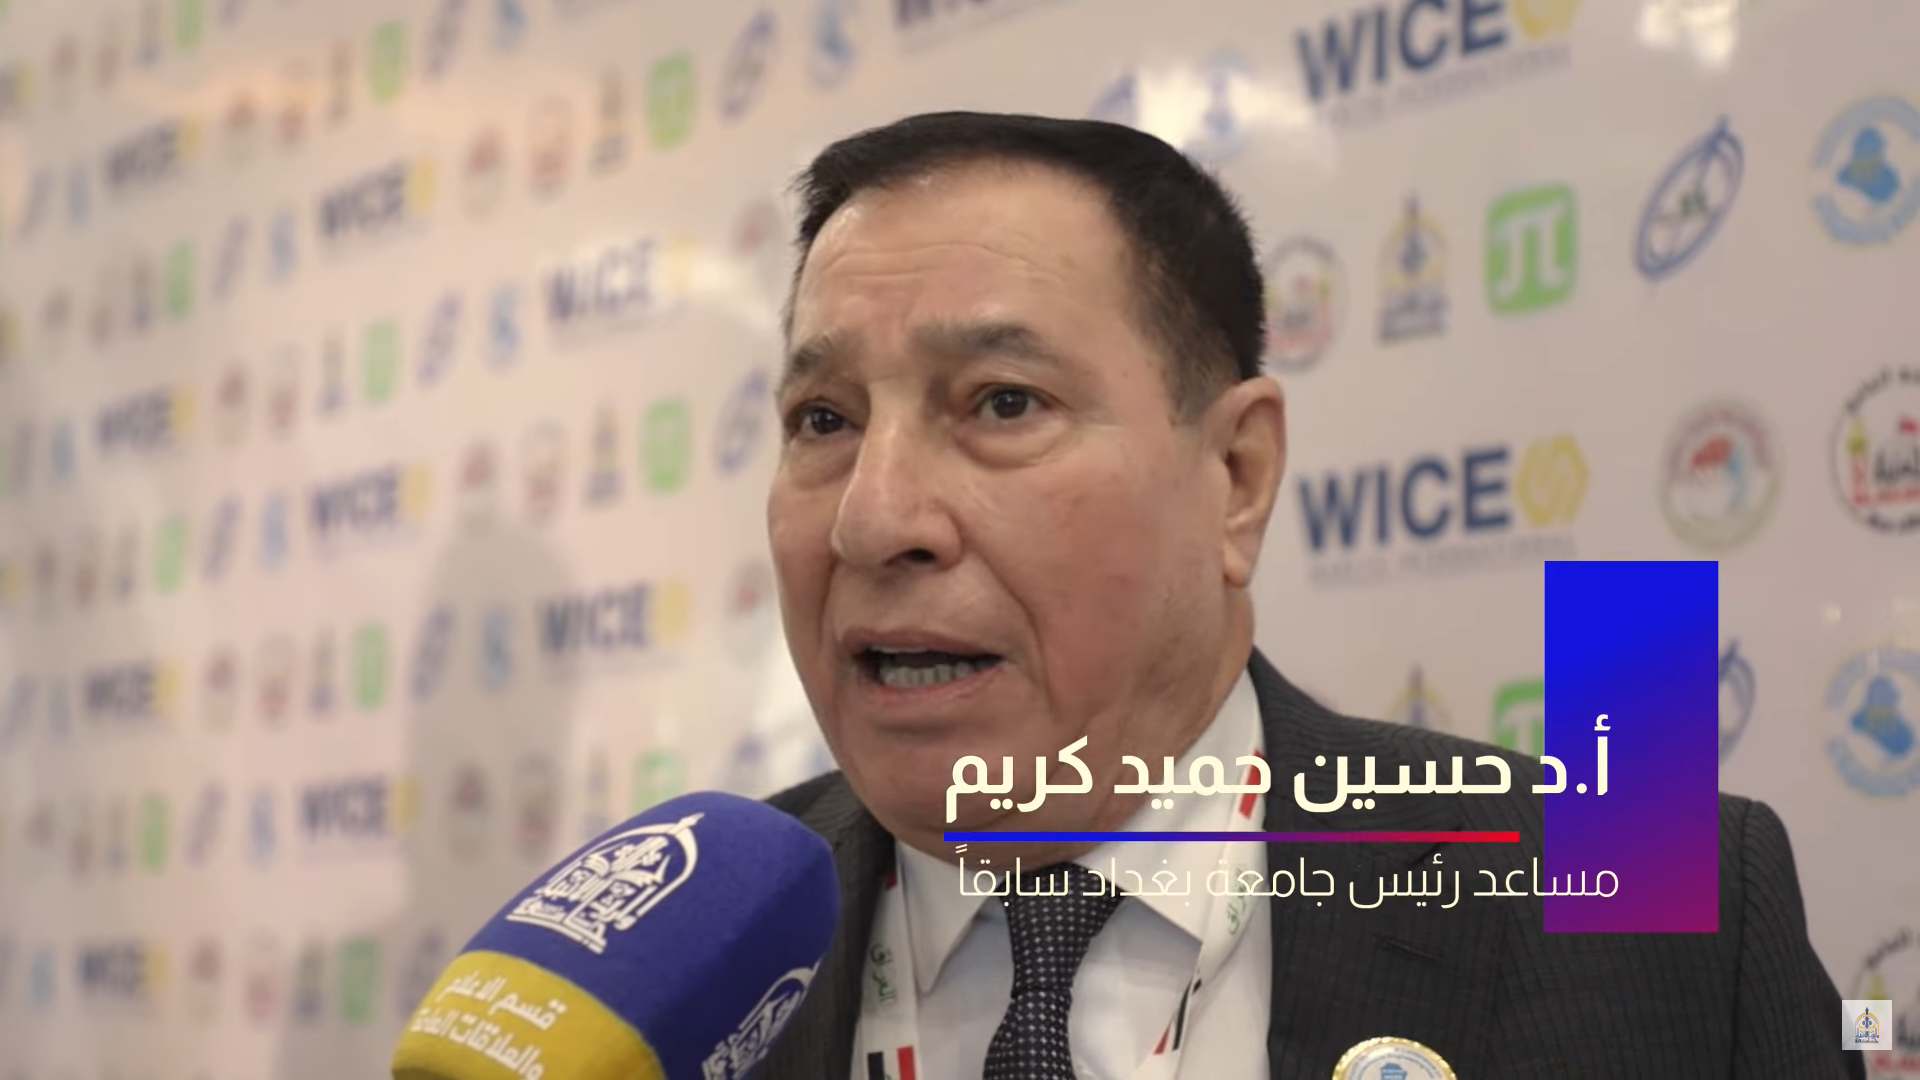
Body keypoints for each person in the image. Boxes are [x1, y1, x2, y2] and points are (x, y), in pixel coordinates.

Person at [756, 111, 1858, 1080]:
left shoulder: (1649, 900)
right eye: (824, 419)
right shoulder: (684, 951)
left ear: (1237, 477)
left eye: (1002, 402)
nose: (873, 517)